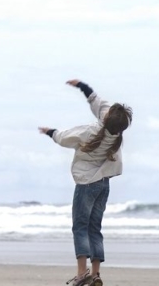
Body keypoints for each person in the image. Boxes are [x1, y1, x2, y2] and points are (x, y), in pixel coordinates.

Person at [38, 79, 131, 286]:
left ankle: (82, 273)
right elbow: (99, 104)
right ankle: (96, 274)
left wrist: (49, 131)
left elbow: (64, 138)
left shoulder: (90, 131)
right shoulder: (116, 134)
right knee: (95, 228)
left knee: (80, 227)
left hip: (87, 185)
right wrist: (83, 87)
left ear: (106, 118)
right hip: (103, 185)